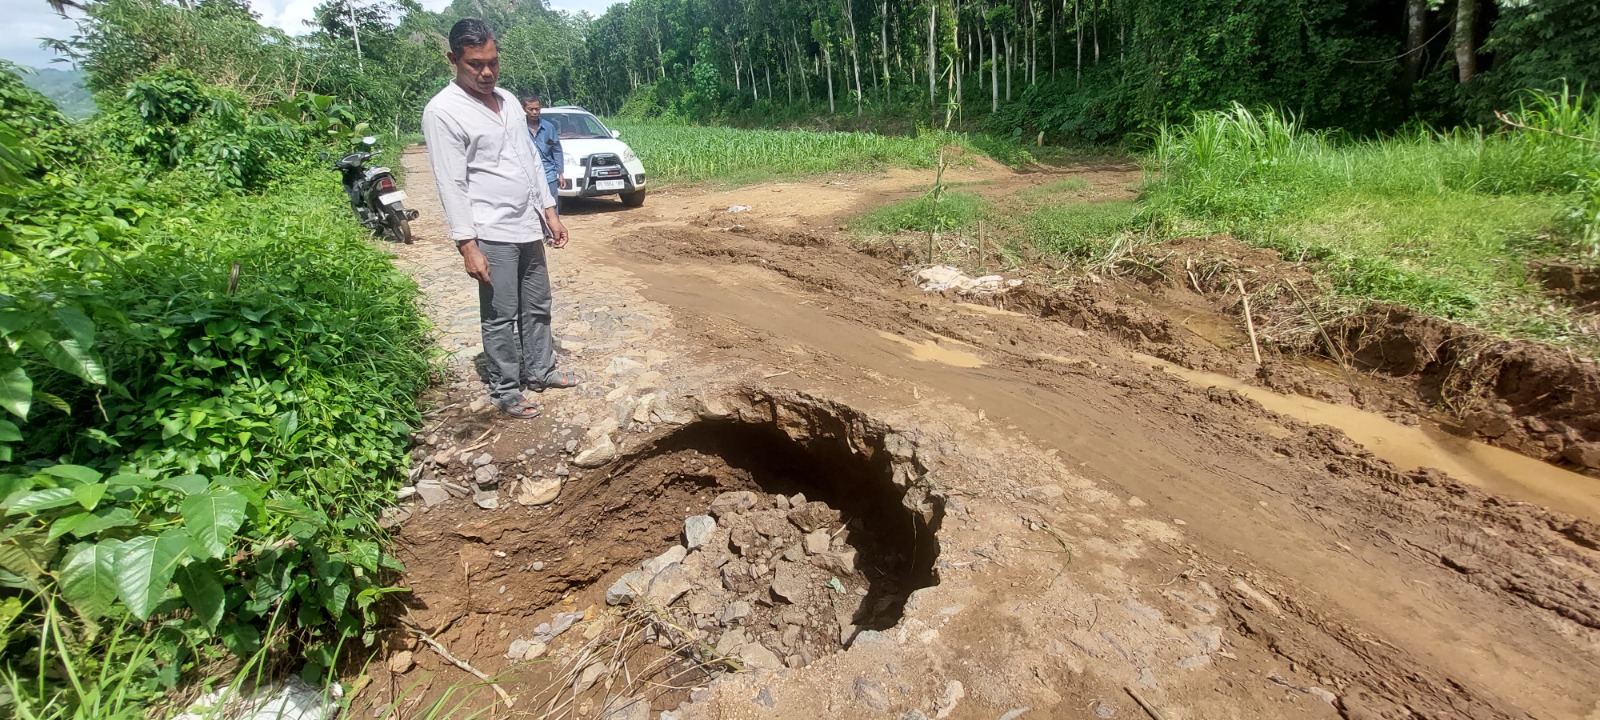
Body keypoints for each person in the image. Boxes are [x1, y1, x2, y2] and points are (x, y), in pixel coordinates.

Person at [422, 18, 582, 419]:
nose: (486, 72)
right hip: (490, 230)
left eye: (492, 62)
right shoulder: (443, 112)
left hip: (527, 224)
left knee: (538, 303)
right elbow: (450, 183)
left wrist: (550, 212)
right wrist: (467, 245)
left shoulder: (509, 101)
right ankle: (506, 389)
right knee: (500, 314)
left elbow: (530, 160)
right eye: (475, 64)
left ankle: (541, 370)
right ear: (453, 60)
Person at [521, 93, 564, 211]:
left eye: (537, 109)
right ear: (524, 109)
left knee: (552, 208)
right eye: (531, 109)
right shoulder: (519, 128)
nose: (534, 112)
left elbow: (557, 151)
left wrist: (560, 173)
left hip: (549, 176)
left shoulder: (549, 127)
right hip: (527, 177)